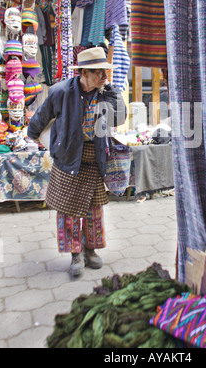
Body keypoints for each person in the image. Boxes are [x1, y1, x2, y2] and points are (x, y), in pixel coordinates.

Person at [27, 46, 127, 277]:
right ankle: (75, 254)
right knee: (68, 211)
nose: (104, 75)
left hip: (94, 159)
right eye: (99, 72)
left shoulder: (104, 93)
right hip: (69, 160)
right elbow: (42, 116)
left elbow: (119, 118)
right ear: (83, 73)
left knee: (94, 211)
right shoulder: (60, 91)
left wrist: (110, 89)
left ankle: (90, 249)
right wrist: (32, 136)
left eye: (105, 71)